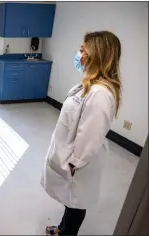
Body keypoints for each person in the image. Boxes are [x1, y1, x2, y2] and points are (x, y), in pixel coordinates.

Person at [40, 31, 122, 236]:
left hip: (78, 164)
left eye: (82, 50)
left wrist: (72, 164)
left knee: (76, 203)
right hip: (70, 157)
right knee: (71, 201)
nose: (79, 54)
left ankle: (66, 233)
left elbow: (90, 136)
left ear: (96, 55)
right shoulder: (89, 86)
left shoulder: (100, 94)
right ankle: (61, 229)